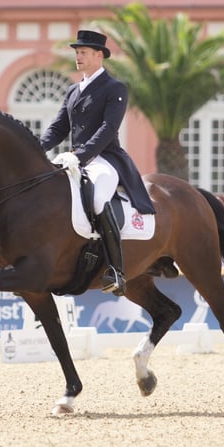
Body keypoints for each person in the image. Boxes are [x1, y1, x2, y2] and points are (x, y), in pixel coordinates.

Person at [39, 29, 155, 296]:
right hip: (73, 158)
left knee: (98, 198)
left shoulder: (114, 88)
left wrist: (81, 156)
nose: (78, 57)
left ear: (99, 55)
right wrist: (36, 148)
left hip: (104, 159)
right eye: (77, 52)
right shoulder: (72, 90)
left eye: (83, 52)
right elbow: (58, 128)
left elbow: (108, 128)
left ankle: (116, 270)